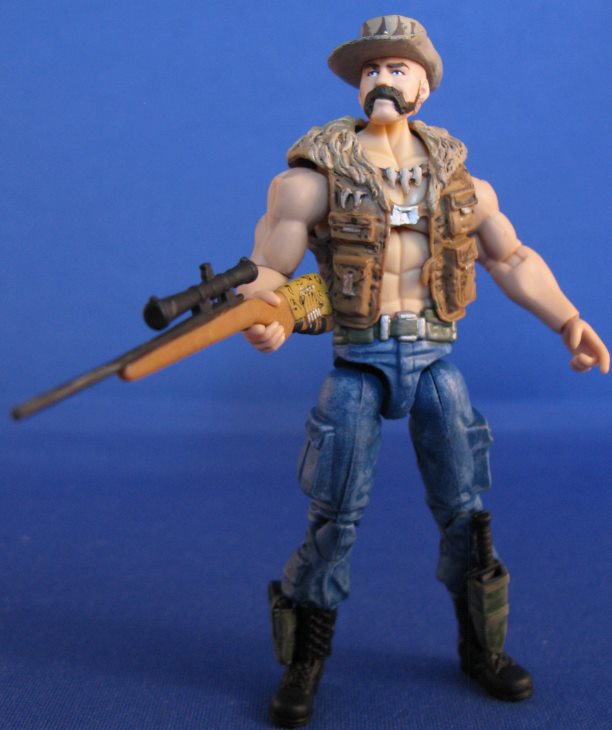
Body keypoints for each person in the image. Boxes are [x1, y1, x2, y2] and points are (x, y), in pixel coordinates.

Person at [238, 15, 610, 729]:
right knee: (333, 519)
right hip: (359, 361)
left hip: (435, 359)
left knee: (467, 514)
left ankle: (482, 649)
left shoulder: (461, 184)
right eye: (371, 68)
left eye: (398, 67)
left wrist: (568, 319)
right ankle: (305, 661)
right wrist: (266, 314)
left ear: (425, 86)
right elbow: (268, 271)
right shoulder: (310, 182)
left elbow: (511, 257)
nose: (382, 77)